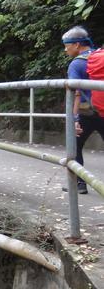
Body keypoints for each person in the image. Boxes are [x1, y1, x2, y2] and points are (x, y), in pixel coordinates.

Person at [62, 26, 100, 194]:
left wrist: (74, 119)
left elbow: (75, 93)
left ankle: (79, 184)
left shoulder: (77, 64)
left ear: (77, 44)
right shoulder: (99, 57)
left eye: (67, 45)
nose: (65, 50)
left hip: (87, 113)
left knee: (74, 145)